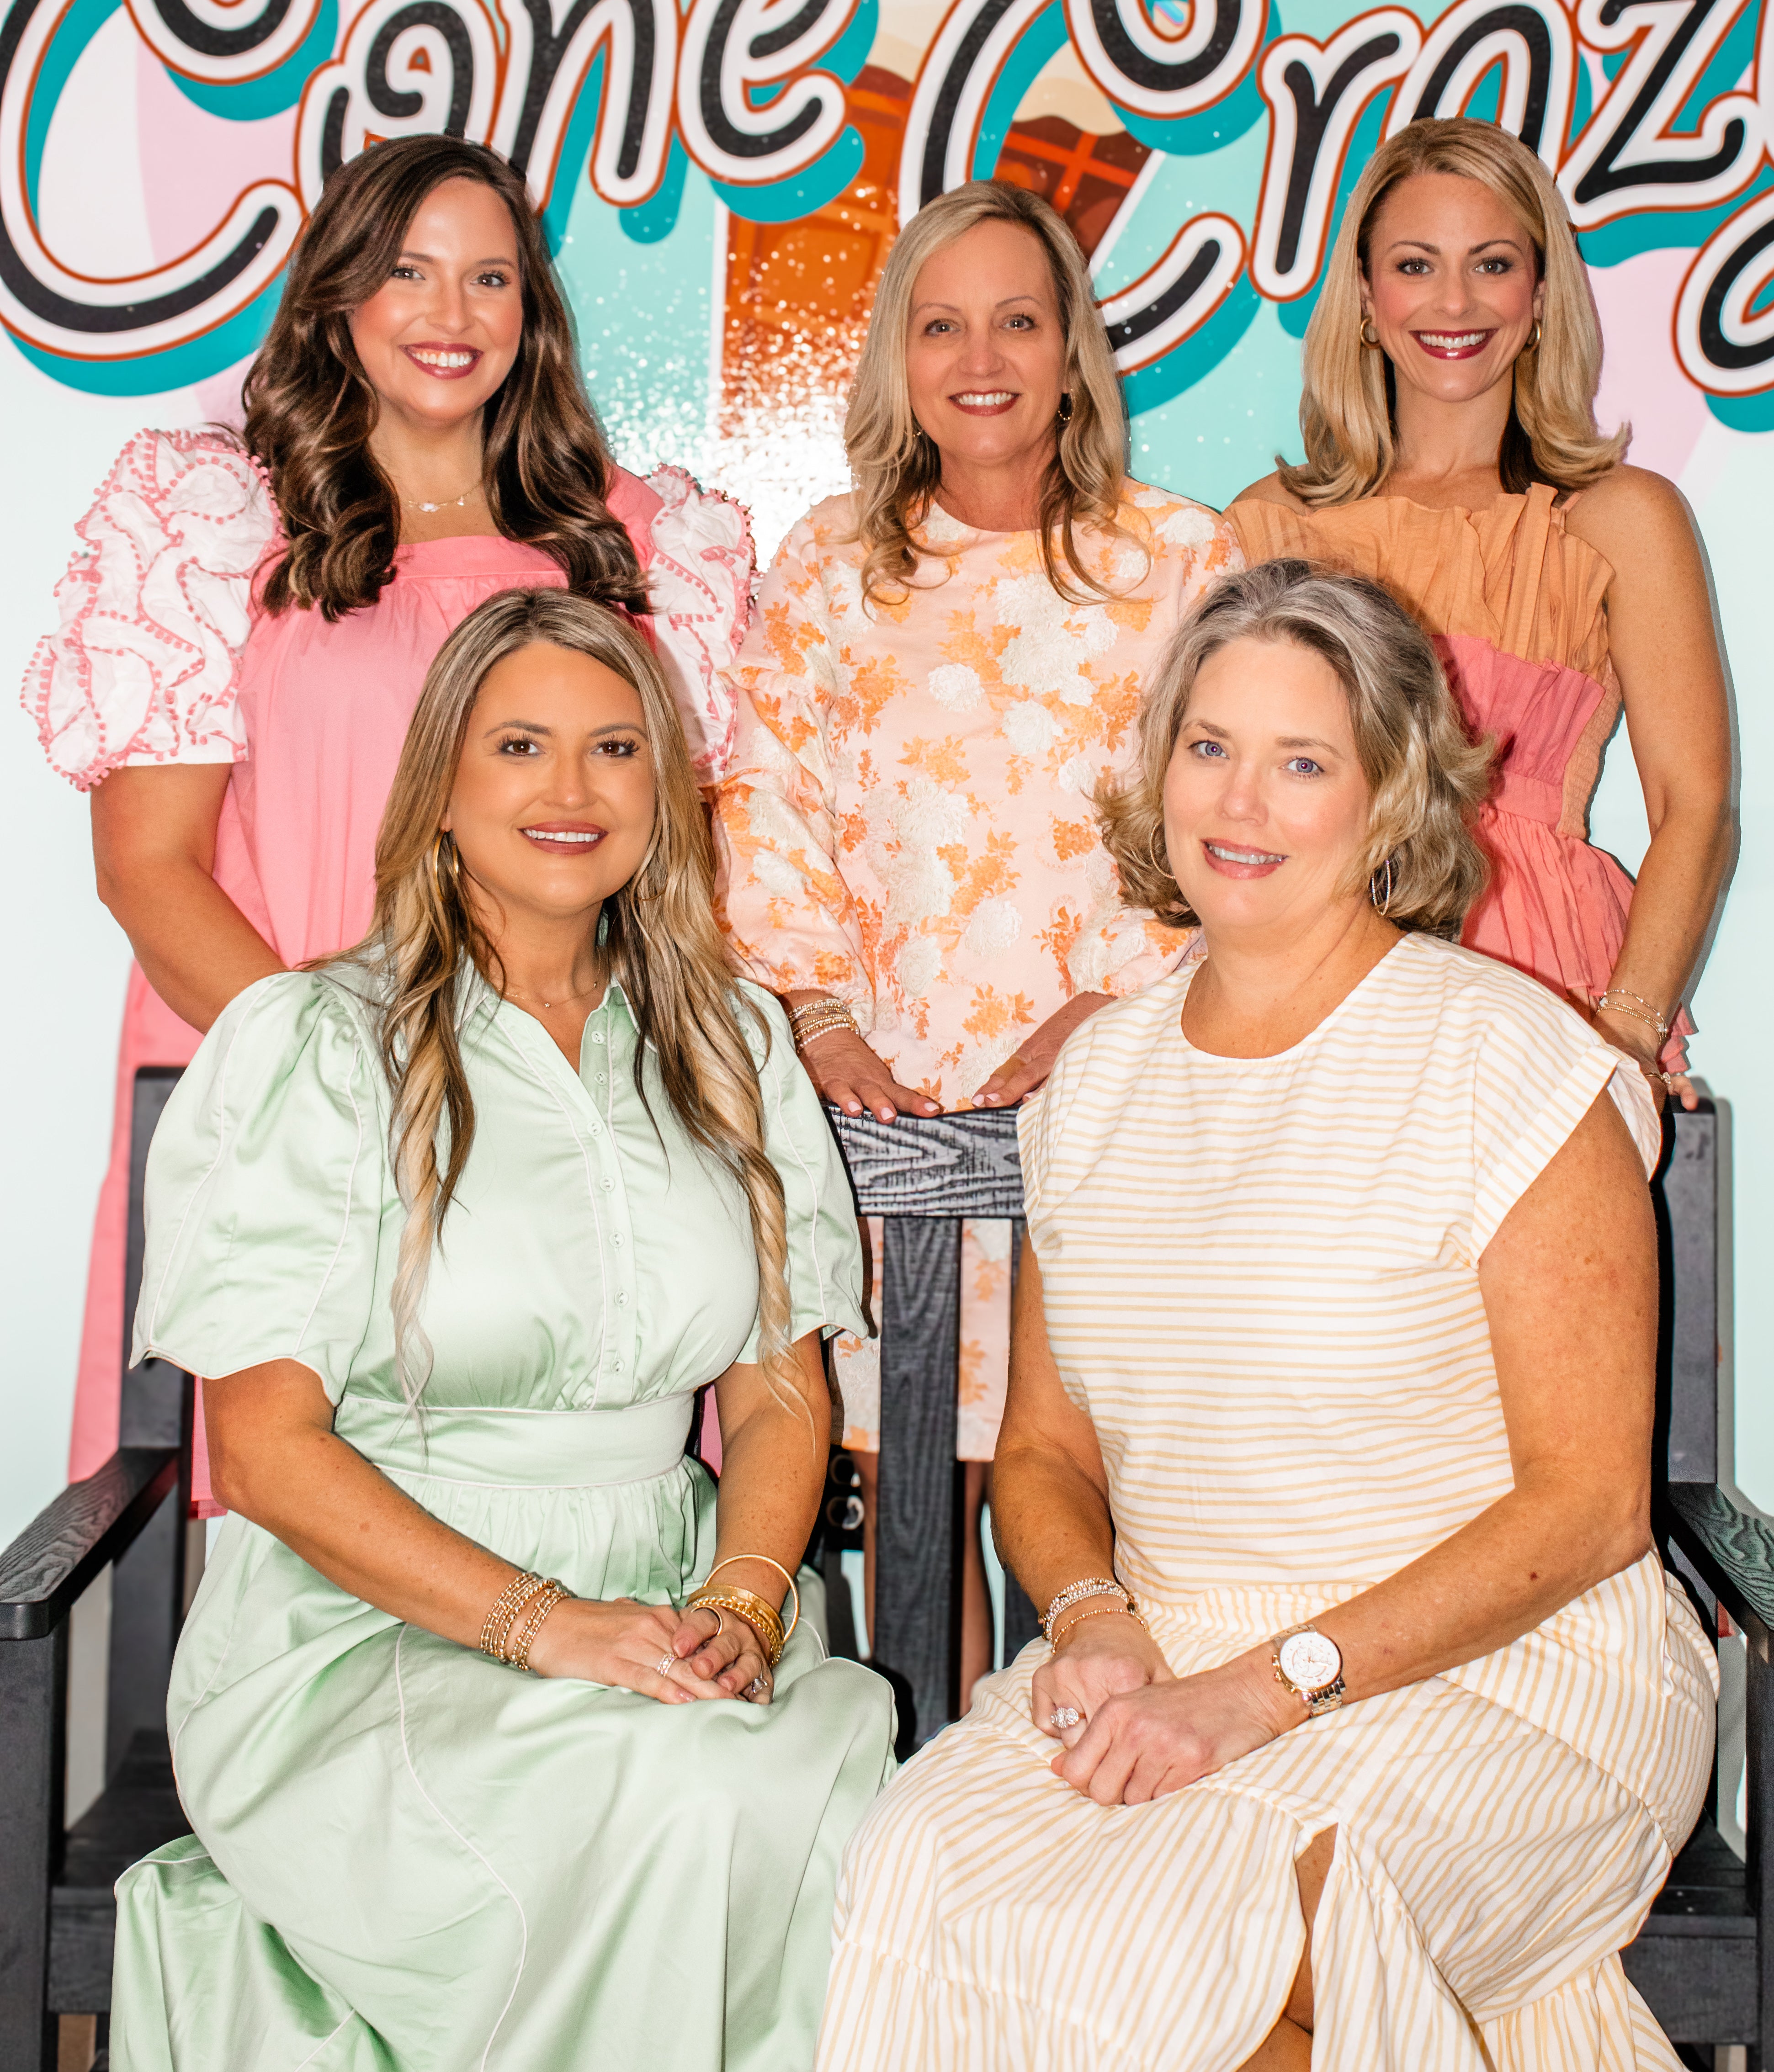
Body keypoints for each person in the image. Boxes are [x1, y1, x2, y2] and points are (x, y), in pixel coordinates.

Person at [818, 560, 1715, 2072]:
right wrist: (1092, 1617)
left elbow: (1586, 1512)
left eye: (1303, 761)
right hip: (1168, 1655)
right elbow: (1045, 1453)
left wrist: (1263, 1692)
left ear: (1390, 792)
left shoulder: (1505, 1060)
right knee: (919, 1870)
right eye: (1210, 746)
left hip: (1511, 1674)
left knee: (1250, 1932)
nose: (1241, 801)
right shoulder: (1093, 1087)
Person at [110, 588, 893, 2072]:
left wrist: (742, 1605)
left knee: (802, 1799)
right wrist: (549, 1626)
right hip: (364, 1630)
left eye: (616, 748)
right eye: (520, 744)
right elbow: (265, 1455)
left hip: (674, 1596)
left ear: (665, 789)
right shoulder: (318, 1043)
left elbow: (779, 1394)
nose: (571, 789)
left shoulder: (735, 1043)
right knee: (679, 1799)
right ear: (443, 786)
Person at [24, 136, 752, 1498]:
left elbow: (672, 875)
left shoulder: (636, 545)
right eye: (409, 271)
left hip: (561, 1120)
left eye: (491, 277)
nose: (450, 312)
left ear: (532, 308)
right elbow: (148, 868)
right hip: (291, 1105)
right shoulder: (219, 518)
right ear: (339, 293)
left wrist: (532, 1108)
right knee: (300, 1510)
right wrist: (355, 1090)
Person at [713, 179, 1235, 1698]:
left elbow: (1239, 818)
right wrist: (817, 1022)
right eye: (941, 326)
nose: (981, 358)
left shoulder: (1180, 559)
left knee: (1087, 1481)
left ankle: (1080, 1788)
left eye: (1018, 320)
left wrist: (1114, 1007)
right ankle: (924, 1784)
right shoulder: (829, 564)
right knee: (911, 1479)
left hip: (1124, 1090)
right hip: (889, 1108)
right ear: (898, 355)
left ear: (1074, 348)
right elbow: (767, 803)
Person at [1231, 117, 1732, 1109]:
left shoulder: (1622, 518)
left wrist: (1626, 1032)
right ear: (1365, 296)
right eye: (1415, 264)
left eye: (1491, 263)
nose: (1453, 302)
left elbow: (1695, 807)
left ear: (1539, 295)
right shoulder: (1269, 525)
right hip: (1309, 970)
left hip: (1546, 983)